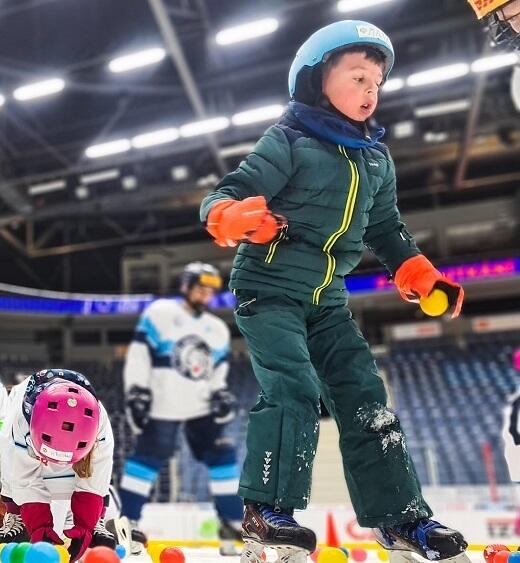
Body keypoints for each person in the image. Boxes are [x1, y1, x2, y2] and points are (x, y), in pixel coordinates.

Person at [199, 20, 469, 563]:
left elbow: (386, 228)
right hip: (268, 289)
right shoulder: (288, 140)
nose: (371, 91)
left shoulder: (376, 159)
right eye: (358, 77)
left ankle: (399, 518)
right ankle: (266, 511)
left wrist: (418, 273)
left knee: (367, 397)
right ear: (317, 80)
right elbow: (227, 193)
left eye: (377, 83)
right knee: (294, 387)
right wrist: (230, 216)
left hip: (327, 302)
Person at [117, 262, 241, 555]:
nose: (205, 294)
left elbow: (218, 371)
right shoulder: (160, 313)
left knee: (224, 456)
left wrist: (220, 392)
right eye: (200, 288)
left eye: (210, 290)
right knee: (146, 459)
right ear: (185, 286)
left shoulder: (217, 329)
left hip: (201, 406)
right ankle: (127, 524)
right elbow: (140, 355)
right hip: (163, 403)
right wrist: (137, 391)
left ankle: (232, 528)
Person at [0, 369, 117, 561]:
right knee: (10, 466)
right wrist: (40, 527)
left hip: (75, 442)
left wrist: (85, 525)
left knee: (100, 474)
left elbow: (95, 479)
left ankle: (97, 519)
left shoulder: (100, 426)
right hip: (24, 432)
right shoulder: (19, 421)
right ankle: (16, 515)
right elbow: (26, 480)